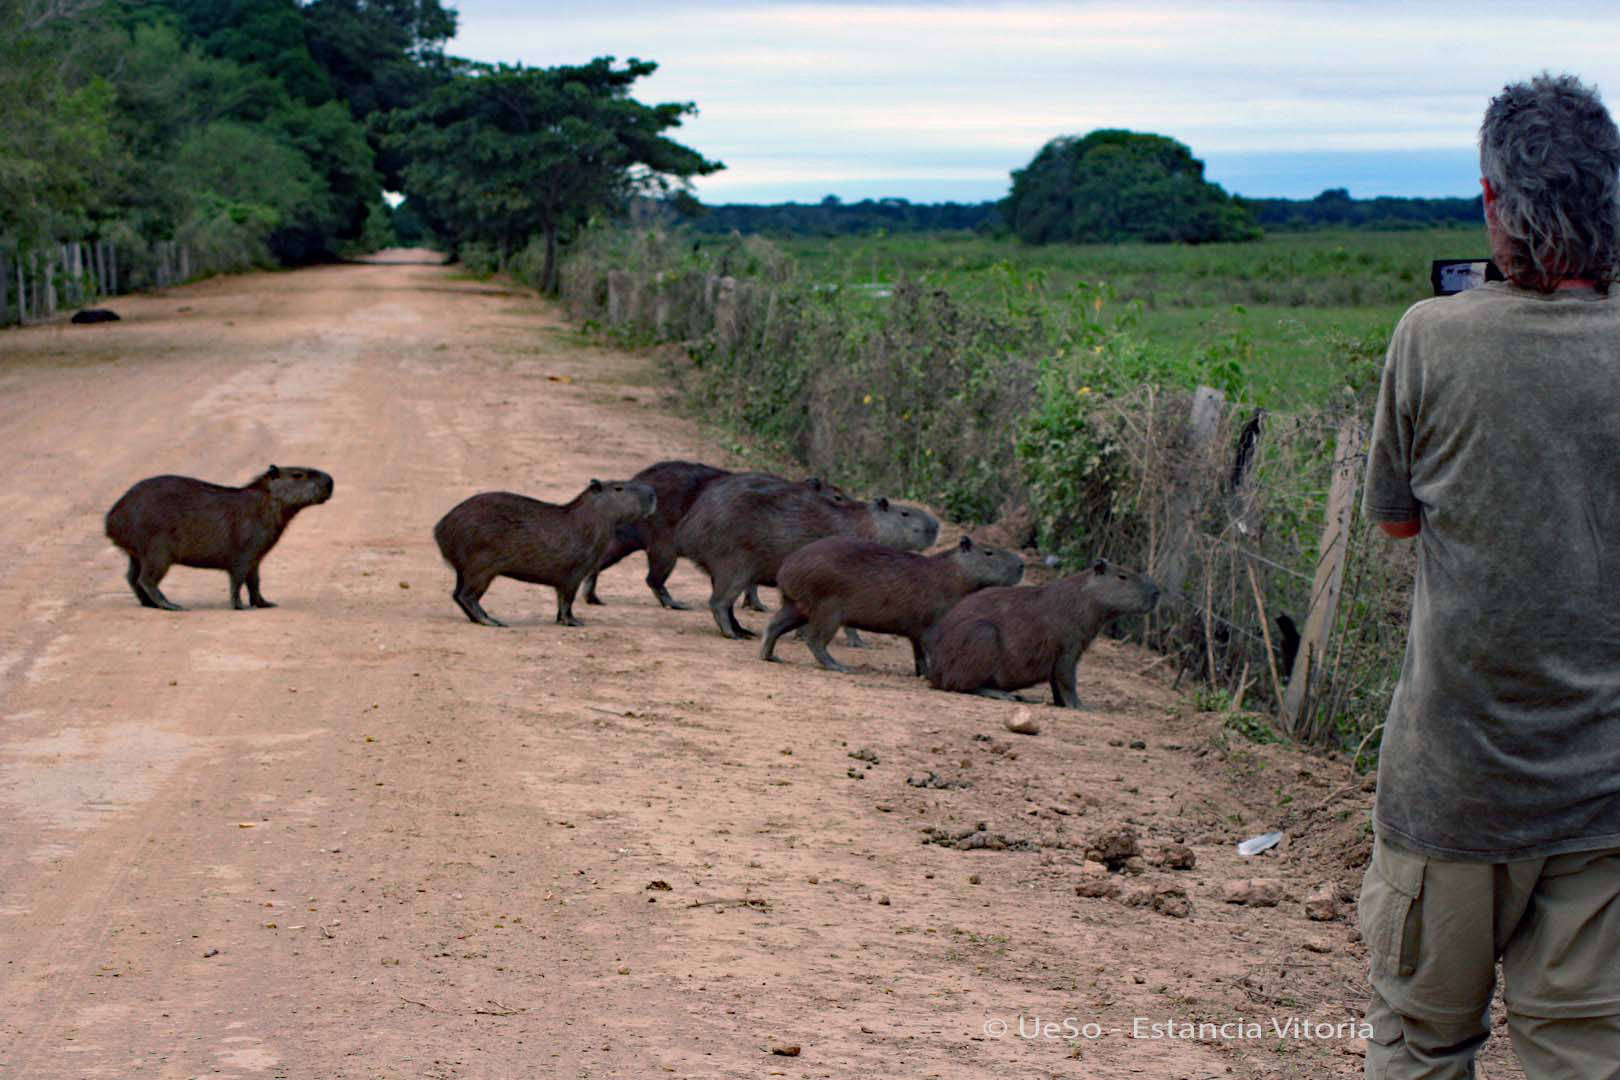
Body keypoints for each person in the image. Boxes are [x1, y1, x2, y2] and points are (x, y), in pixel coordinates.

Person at [1359, 72, 1620, 1079]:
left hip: (1454, 786)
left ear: (1494, 206)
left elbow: (1394, 524)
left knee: (1423, 1045)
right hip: (1603, 796)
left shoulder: (1432, 337)